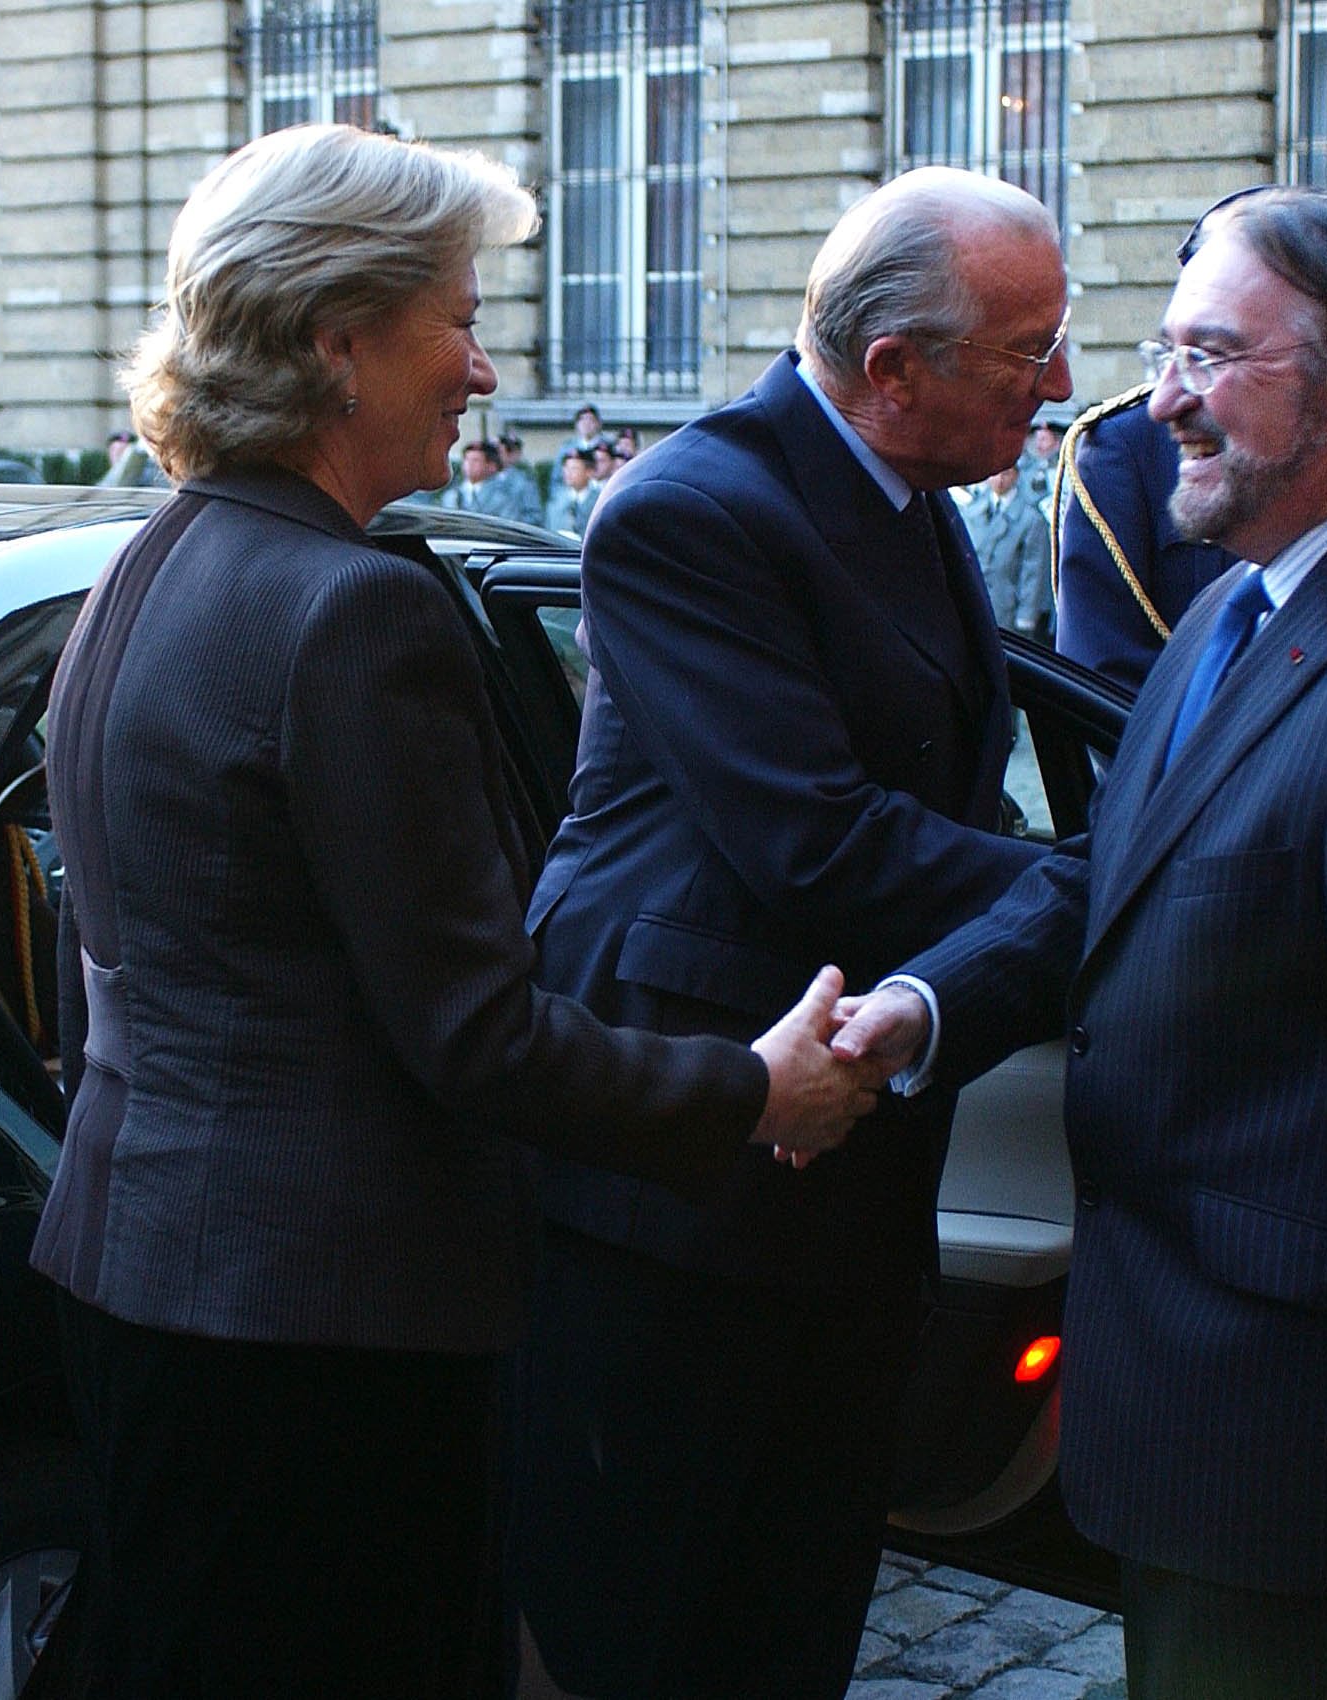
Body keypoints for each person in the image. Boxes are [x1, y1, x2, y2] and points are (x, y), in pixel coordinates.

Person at [20, 123, 875, 1700]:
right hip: (322, 1330)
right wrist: (759, 1086)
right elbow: (475, 1035)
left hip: (143, 1271)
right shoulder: (354, 610)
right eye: (463, 321)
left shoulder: (153, 566)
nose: (485, 371)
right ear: (341, 341)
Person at [835, 185, 1327, 1698]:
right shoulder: (1249, 603)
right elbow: (1107, 883)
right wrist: (925, 1013)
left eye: (1208, 355)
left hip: (1312, 1481)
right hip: (1203, 1435)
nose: (1159, 400)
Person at [505, 165, 1070, 1700]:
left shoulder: (912, 497)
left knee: (796, 1605)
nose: (1065, 383)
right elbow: (817, 839)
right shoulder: (694, 507)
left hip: (849, 1159)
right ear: (896, 374)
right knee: (651, 1618)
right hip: (682, 1179)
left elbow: (938, 784)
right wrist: (1096, 888)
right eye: (1031, 351)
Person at [1052, 381, 1235, 687]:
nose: (1163, 404)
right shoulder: (1129, 441)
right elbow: (1098, 679)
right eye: (1168, 351)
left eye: (1209, 353)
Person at [962, 459, 1053, 639]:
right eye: (995, 473)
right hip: (973, 599)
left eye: (1006, 473)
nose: (999, 479)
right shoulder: (973, 508)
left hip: (1006, 607)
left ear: (1016, 475)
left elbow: (1033, 571)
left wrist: (1026, 615)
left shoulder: (1031, 518)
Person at [442, 436, 511, 515]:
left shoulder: (503, 497)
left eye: (476, 460)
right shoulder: (452, 494)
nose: (469, 465)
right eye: (466, 459)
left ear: (492, 466)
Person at [494, 428, 545, 526]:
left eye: (500, 452)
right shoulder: (486, 478)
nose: (495, 456)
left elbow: (535, 516)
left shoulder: (524, 482)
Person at [545, 445, 597, 538]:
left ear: (589, 472)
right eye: (566, 468)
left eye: (574, 468)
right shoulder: (556, 500)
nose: (568, 473)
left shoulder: (598, 501)